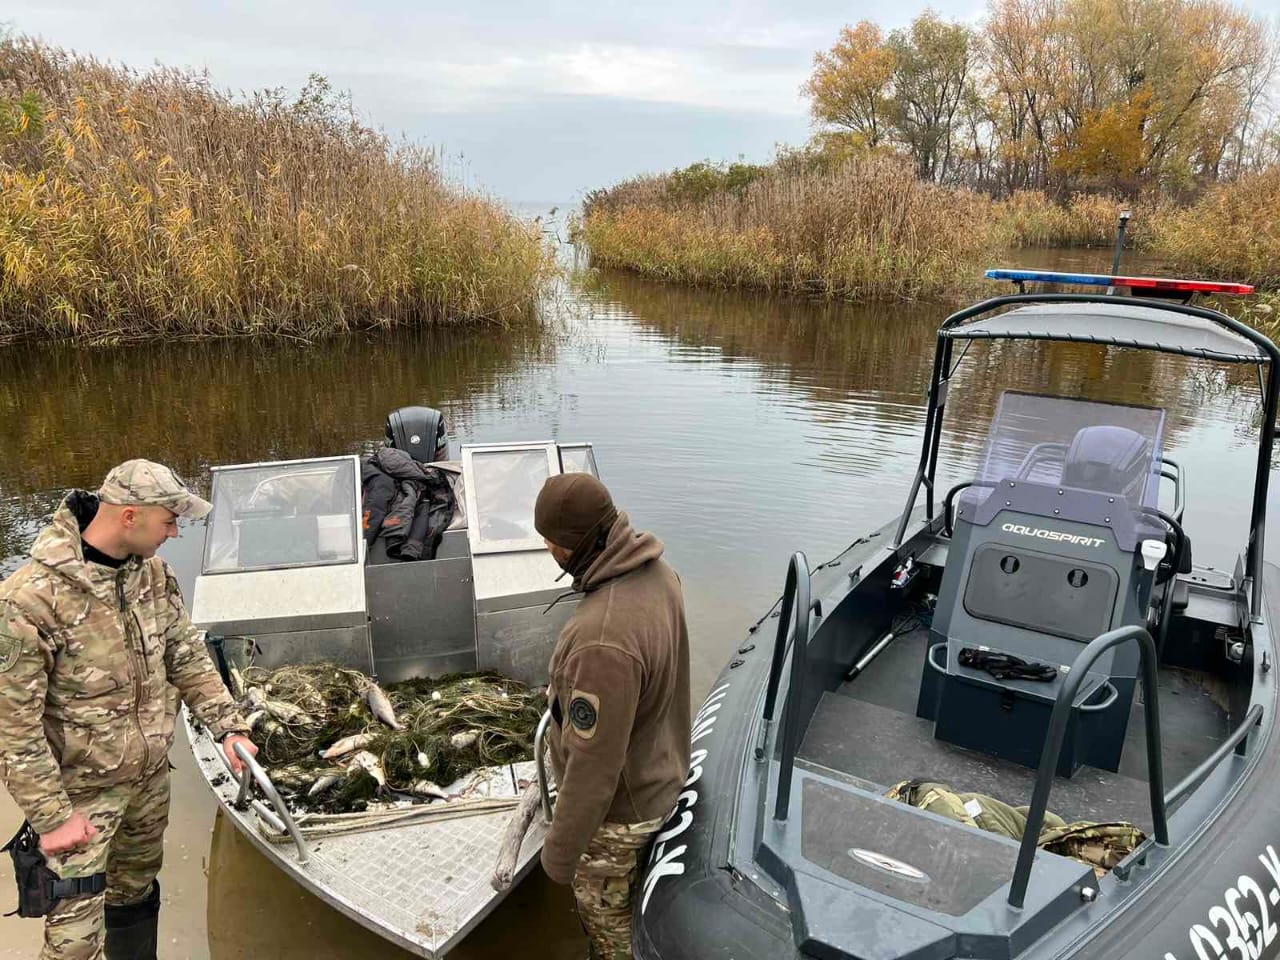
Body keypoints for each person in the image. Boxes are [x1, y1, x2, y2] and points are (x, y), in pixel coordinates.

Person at [0, 460, 256, 960]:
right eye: (170, 521)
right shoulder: (28, 599)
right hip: (79, 797)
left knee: (134, 894)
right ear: (130, 517)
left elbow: (185, 655)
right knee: (73, 940)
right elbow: (14, 725)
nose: (176, 532)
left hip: (148, 781)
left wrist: (229, 728)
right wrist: (51, 818)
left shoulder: (155, 575)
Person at [533, 473, 691, 960]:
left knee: (612, 932)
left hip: (620, 817)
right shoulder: (660, 573)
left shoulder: (602, 638)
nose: (547, 550)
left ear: (573, 547)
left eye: (551, 542)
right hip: (661, 775)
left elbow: (594, 770)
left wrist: (559, 857)